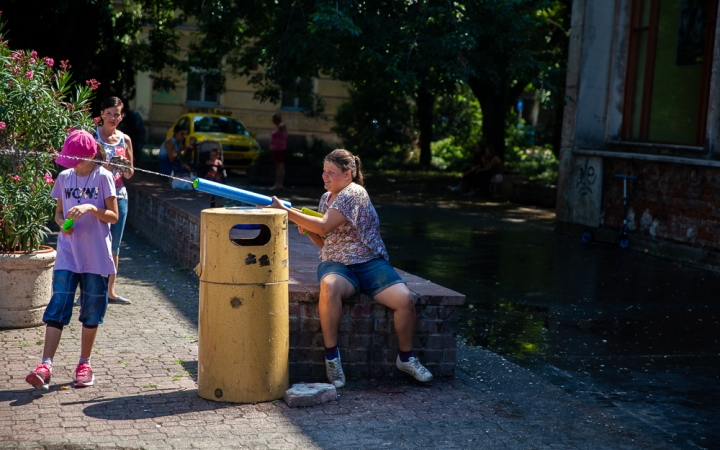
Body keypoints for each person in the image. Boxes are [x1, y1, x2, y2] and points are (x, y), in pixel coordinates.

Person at [268, 149, 433, 387]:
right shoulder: (327, 198)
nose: (325, 177)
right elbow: (323, 239)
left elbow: (324, 226)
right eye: (323, 172)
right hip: (336, 262)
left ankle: (406, 358)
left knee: (404, 299)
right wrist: (308, 228)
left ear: (347, 174)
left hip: (369, 262)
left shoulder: (354, 192)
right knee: (329, 285)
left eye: (331, 173)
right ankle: (332, 358)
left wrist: (286, 212)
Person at [25, 130, 118, 390]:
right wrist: (61, 226)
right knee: (58, 306)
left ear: (90, 155)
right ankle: (45, 365)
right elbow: (58, 213)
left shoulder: (104, 177)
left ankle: (84, 364)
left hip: (97, 257)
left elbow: (113, 216)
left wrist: (90, 207)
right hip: (68, 255)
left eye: (77, 159)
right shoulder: (65, 177)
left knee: (91, 312)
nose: (72, 165)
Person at [94, 96, 135, 305]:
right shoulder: (94, 137)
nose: (112, 117)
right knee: (96, 242)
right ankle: (92, 290)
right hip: (97, 196)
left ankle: (111, 291)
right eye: (109, 113)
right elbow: (86, 168)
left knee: (115, 246)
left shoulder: (125, 139)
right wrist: (107, 166)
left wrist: (125, 165)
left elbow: (129, 174)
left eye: (116, 114)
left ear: (121, 116)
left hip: (119, 196)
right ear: (102, 114)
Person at [269, 112, 287, 190]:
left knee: (279, 166)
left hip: (279, 149)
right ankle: (279, 184)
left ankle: (278, 184)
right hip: (276, 148)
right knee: (279, 166)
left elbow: (282, 129)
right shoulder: (278, 126)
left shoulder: (281, 125)